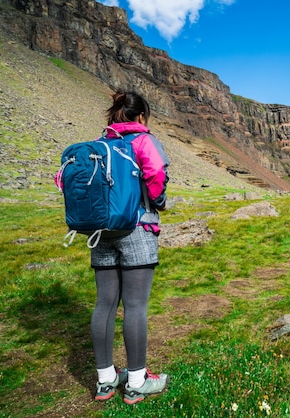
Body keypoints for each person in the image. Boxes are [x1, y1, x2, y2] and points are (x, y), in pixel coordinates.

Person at [85, 91, 170, 404]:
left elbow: (65, 180)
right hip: (137, 227)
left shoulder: (98, 144)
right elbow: (157, 173)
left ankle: (106, 380)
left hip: (101, 231)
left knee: (104, 303)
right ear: (141, 117)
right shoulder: (143, 140)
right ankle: (136, 382)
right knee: (135, 305)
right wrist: (157, 201)